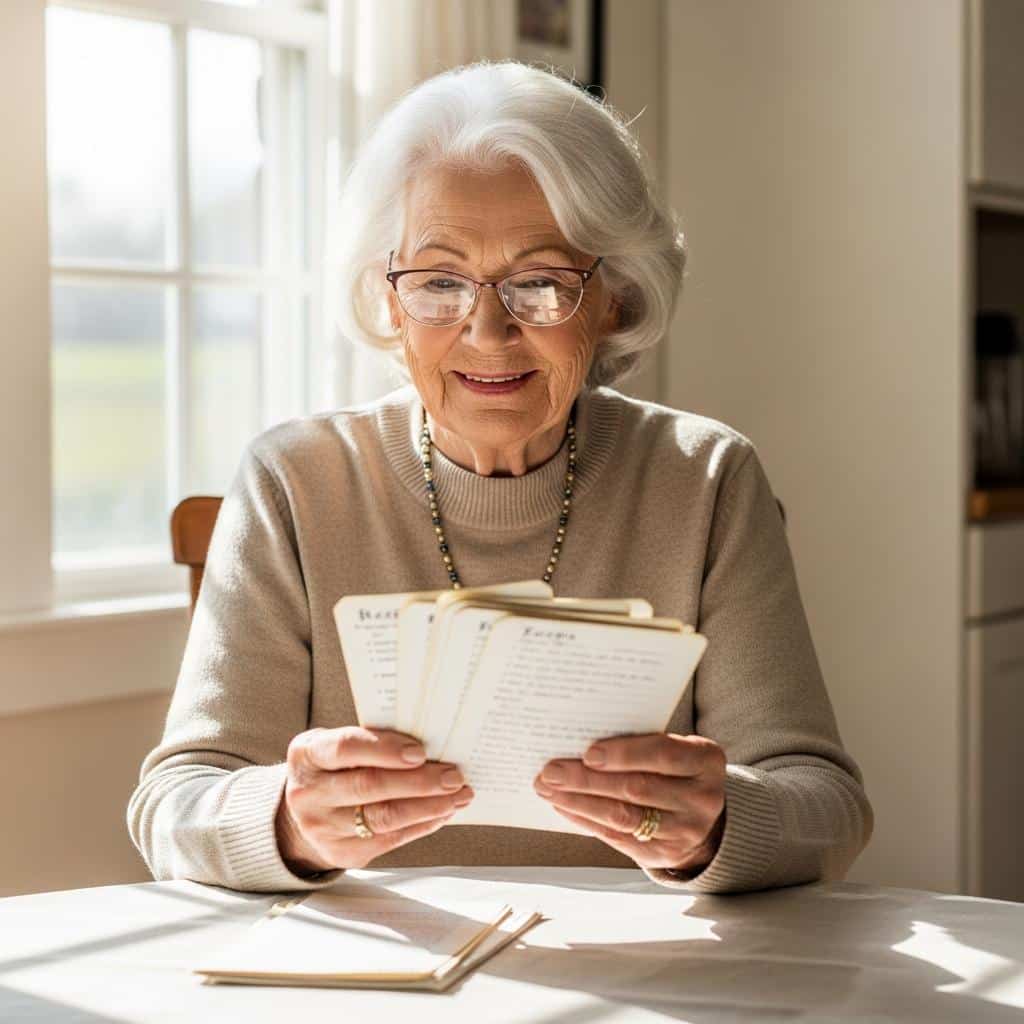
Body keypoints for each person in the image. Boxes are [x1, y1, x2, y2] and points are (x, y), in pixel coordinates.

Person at [128, 60, 872, 894]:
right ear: (387, 297)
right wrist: (288, 819)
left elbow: (827, 804)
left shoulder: (705, 479)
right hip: (370, 986)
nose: (488, 331)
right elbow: (173, 805)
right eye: (439, 282)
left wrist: (721, 823)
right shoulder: (295, 483)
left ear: (616, 297)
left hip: (643, 982)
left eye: (540, 284)